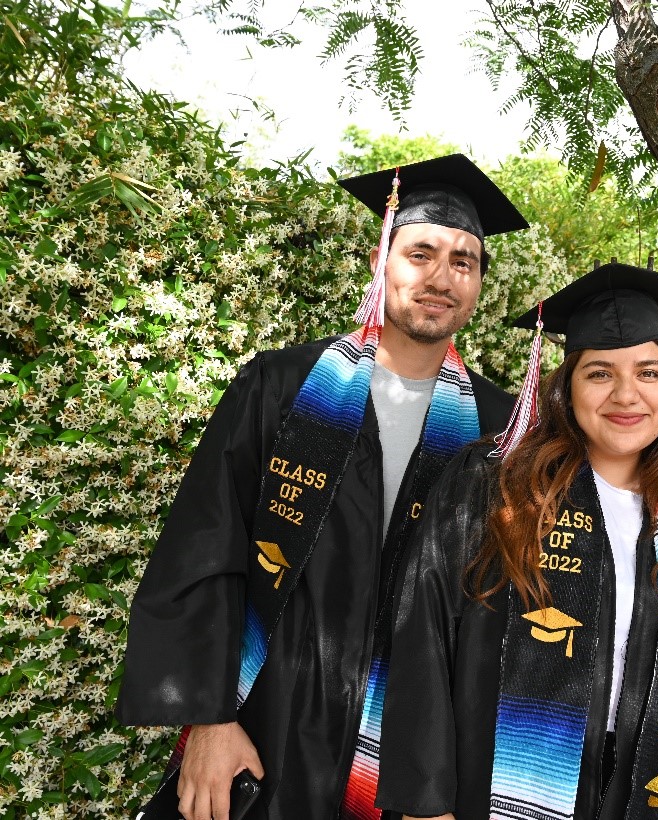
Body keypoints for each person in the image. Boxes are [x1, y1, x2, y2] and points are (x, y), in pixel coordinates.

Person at [117, 155, 528, 820]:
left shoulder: (501, 426)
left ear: (479, 283)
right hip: (267, 721)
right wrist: (209, 720)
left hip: (410, 752)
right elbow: (207, 543)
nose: (441, 277)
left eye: (464, 261)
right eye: (420, 252)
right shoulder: (282, 388)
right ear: (381, 260)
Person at [376, 266, 658, 820]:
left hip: (638, 781)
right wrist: (423, 800)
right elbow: (423, 631)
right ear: (568, 387)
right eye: (600, 373)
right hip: (491, 780)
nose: (627, 395)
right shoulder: (494, 482)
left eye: (649, 373)